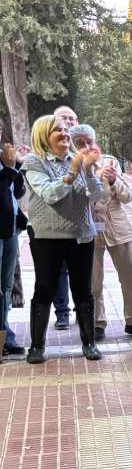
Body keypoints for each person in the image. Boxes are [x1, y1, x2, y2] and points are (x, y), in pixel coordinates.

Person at [20, 114, 106, 363]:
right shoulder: (34, 162)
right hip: (48, 237)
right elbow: (49, 193)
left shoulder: (76, 159)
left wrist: (88, 170)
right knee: (45, 289)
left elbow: (96, 194)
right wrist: (73, 171)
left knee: (83, 290)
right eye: (57, 130)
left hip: (81, 235)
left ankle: (89, 343)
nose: (65, 134)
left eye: (66, 130)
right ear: (43, 135)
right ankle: (37, 346)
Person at [68, 125, 132, 342]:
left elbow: (127, 197)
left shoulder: (110, 161)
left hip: (118, 227)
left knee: (130, 277)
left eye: (90, 141)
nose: (86, 147)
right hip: (88, 228)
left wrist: (114, 181)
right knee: (94, 281)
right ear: (72, 145)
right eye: (80, 143)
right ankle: (97, 323)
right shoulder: (70, 165)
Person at [51, 105, 79, 329]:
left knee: (83, 270)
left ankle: (83, 310)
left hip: (82, 223)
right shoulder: (42, 155)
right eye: (64, 118)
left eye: (72, 118)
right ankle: (62, 312)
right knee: (58, 269)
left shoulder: (87, 150)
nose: (69, 122)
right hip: (55, 222)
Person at [1, 140, 28, 359]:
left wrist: (16, 167)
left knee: (6, 287)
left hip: (10, 230)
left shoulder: (4, 159)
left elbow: (16, 193)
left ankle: (5, 337)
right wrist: (10, 169)